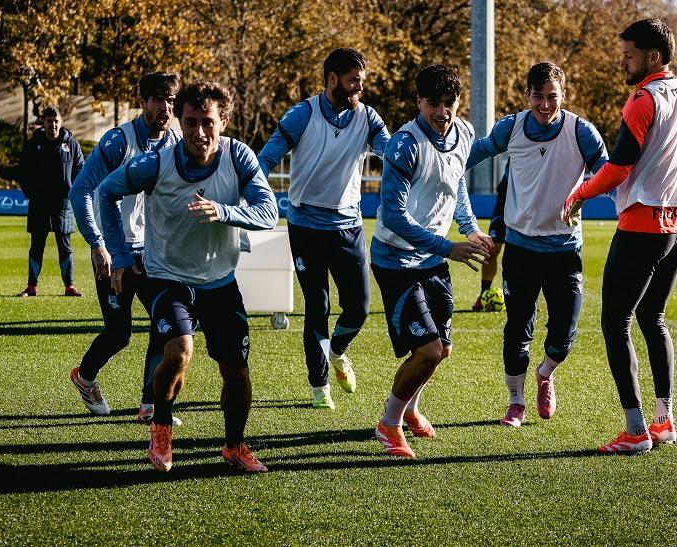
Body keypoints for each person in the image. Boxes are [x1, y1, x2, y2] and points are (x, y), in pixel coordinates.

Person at [97, 81, 278, 473]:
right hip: (168, 278)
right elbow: (105, 193)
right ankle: (161, 425)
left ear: (223, 121)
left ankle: (234, 446)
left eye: (207, 122)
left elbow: (268, 211)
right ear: (180, 121)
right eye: (191, 122)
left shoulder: (239, 157)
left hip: (220, 281)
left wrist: (224, 211)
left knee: (237, 371)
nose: (199, 132)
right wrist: (121, 256)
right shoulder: (156, 163)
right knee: (180, 351)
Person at [562, 19, 677, 454]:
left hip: (644, 224)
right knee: (653, 318)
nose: (622, 62)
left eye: (629, 55)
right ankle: (664, 420)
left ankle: (636, 429)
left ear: (653, 57)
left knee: (615, 322)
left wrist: (580, 193)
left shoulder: (643, 99)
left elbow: (620, 167)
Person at [466, 62, 608, 426]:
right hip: (521, 249)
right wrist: (437, 169)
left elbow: (609, 173)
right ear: (527, 95)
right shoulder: (510, 128)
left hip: (564, 250)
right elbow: (474, 153)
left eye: (552, 97)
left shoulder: (581, 131)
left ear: (564, 95)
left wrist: (586, 194)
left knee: (564, 334)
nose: (545, 105)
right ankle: (515, 402)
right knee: (518, 328)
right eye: (538, 96)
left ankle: (546, 372)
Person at [370, 64, 493, 458]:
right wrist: (447, 247)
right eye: (433, 103)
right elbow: (393, 215)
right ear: (418, 102)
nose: (442, 112)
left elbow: (456, 181)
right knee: (427, 350)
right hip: (396, 260)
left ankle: (410, 409)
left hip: (433, 259)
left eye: (449, 103)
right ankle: (389, 423)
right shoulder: (404, 145)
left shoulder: (464, 132)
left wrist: (469, 228)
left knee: (443, 349)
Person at [257, 48, 389, 409]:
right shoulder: (303, 113)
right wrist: (252, 194)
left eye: (361, 81)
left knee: (359, 308)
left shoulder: (367, 117)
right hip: (305, 227)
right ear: (332, 79)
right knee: (318, 307)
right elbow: (266, 158)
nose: (358, 88)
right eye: (352, 81)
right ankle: (320, 387)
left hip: (348, 226)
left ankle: (338, 351)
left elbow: (392, 154)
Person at [67, 72, 181, 420]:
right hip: (114, 253)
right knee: (119, 335)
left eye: (171, 100)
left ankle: (150, 405)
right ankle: (85, 377)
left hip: (155, 255)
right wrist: (97, 243)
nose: (166, 107)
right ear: (143, 101)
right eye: (158, 99)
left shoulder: (177, 142)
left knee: (166, 326)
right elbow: (81, 190)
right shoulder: (119, 141)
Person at [17, 105, 85, 297]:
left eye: (56, 121)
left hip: (63, 204)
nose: (52, 125)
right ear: (43, 123)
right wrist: (31, 193)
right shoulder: (33, 144)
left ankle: (69, 286)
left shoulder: (71, 144)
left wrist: (72, 191)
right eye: (49, 121)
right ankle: (31, 287)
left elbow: (81, 169)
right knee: (36, 245)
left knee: (65, 245)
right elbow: (22, 171)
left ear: (61, 122)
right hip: (39, 204)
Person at [470, 167, 508, 312]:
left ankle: (527, 298)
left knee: (527, 253)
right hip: (506, 199)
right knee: (491, 249)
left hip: (531, 199)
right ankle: (484, 294)